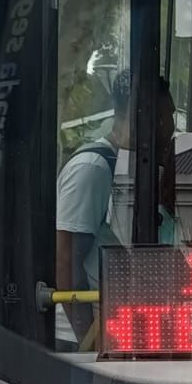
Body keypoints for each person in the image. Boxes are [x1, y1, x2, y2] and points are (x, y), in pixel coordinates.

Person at [54, 71, 176, 346]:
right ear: (145, 117)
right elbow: (66, 259)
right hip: (81, 336)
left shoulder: (132, 167)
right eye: (168, 116)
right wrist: (90, 345)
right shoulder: (93, 168)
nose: (171, 127)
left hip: (116, 329)